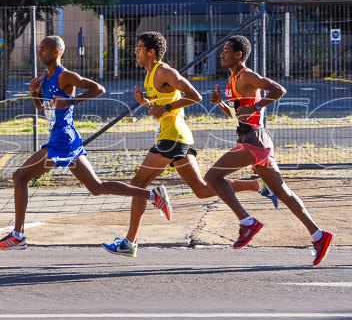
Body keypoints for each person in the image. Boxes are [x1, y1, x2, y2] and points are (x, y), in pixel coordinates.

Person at [101, 32, 278, 258]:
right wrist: (145, 102)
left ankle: (130, 242)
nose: (136, 51)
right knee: (203, 190)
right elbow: (164, 105)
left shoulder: (165, 71)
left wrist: (164, 109)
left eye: (139, 47)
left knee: (138, 183)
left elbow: (195, 96)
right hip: (176, 137)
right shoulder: (149, 75)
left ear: (151, 52)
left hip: (173, 137)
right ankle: (259, 185)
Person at [0, 35, 171, 250]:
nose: (39, 52)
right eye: (39, 48)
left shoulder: (65, 75)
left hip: (62, 140)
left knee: (19, 176)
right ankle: (153, 195)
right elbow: (40, 107)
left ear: (56, 52)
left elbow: (99, 89)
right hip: (66, 139)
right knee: (97, 187)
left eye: (44, 49)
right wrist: (33, 92)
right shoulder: (45, 78)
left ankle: (18, 236)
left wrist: (71, 100)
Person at [204, 35, 334, 265]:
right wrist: (220, 104)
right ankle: (319, 235)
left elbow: (278, 89)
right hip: (253, 138)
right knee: (282, 192)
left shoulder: (247, 75)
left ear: (238, 55)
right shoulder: (233, 78)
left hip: (253, 139)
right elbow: (238, 114)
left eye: (226, 50)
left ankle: (247, 222)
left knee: (212, 176)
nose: (221, 54)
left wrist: (257, 105)